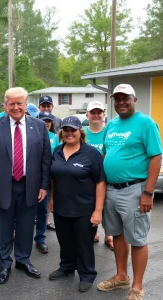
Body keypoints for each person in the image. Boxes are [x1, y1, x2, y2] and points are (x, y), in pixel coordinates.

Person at [0, 87, 51, 284]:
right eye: (11, 103)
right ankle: (4, 263)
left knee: (26, 227)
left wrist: (44, 185)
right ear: (5, 105)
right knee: (3, 228)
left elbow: (46, 158)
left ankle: (23, 260)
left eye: (20, 103)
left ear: (26, 105)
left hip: (30, 186)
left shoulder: (38, 126)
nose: (16, 107)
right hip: (2, 186)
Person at [97, 84, 162, 300]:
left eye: (126, 98)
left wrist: (148, 193)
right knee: (117, 234)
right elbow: (106, 154)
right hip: (111, 191)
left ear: (134, 99)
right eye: (117, 99)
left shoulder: (145, 123)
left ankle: (137, 286)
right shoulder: (112, 125)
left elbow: (155, 157)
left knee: (138, 239)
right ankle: (121, 276)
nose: (121, 102)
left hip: (135, 190)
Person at [48, 116, 106, 292]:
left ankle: (87, 274)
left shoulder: (91, 153)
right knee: (65, 240)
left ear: (80, 132)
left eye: (73, 130)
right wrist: (51, 199)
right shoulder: (57, 151)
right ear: (61, 132)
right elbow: (53, 178)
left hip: (84, 208)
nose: (69, 133)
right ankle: (66, 267)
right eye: (66, 130)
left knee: (84, 243)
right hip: (61, 206)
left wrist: (98, 210)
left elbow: (100, 182)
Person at [85, 101, 114, 250]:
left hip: (107, 176)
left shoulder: (109, 131)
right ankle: (93, 231)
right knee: (91, 205)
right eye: (93, 112)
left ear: (104, 115)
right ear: (87, 115)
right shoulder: (83, 132)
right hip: (88, 179)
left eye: (99, 112)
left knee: (108, 207)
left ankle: (109, 235)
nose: (96, 115)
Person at [34, 111, 60, 254]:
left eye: (49, 120)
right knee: (26, 211)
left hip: (46, 178)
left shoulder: (55, 137)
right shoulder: (31, 135)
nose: (46, 123)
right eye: (43, 120)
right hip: (30, 178)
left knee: (42, 210)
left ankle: (40, 239)